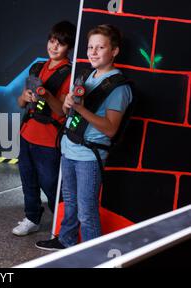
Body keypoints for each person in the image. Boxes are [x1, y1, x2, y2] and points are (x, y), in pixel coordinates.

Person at [36, 24, 133, 250]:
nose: (93, 52)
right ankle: (66, 240)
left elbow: (110, 129)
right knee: (70, 202)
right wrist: (68, 104)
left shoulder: (118, 87)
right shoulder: (86, 75)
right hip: (70, 147)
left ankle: (92, 257)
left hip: (89, 156)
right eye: (91, 47)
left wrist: (79, 109)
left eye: (100, 47)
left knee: (87, 211)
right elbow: (64, 111)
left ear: (114, 51)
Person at [12, 21, 76, 236]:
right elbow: (21, 104)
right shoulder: (37, 67)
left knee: (51, 185)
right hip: (27, 133)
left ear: (69, 47)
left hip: (49, 140)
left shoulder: (70, 73)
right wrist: (25, 96)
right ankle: (32, 218)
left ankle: (62, 225)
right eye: (52, 41)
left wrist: (46, 95)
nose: (54, 47)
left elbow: (63, 112)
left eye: (60, 44)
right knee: (27, 180)